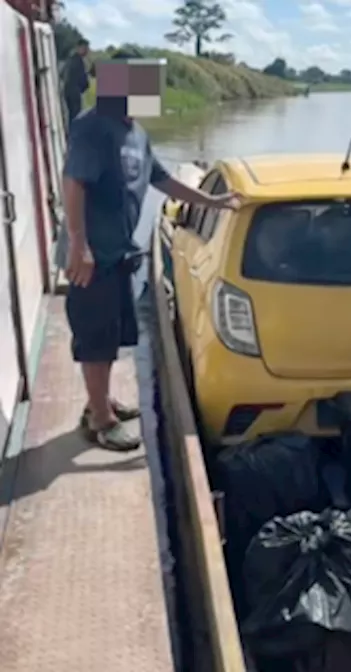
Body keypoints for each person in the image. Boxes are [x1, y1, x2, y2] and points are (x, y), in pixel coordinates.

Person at [61, 104, 240, 451]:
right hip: (94, 258)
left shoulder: (136, 134)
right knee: (95, 338)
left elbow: (163, 179)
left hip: (120, 255)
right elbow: (74, 182)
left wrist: (213, 202)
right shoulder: (93, 127)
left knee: (109, 337)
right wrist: (79, 245)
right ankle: (101, 420)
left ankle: (100, 401)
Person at [61, 39, 92, 126]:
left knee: (71, 116)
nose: (87, 50)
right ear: (79, 47)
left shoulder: (70, 59)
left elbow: (62, 74)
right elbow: (83, 80)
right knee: (76, 116)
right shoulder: (79, 61)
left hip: (67, 92)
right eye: (85, 48)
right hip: (75, 93)